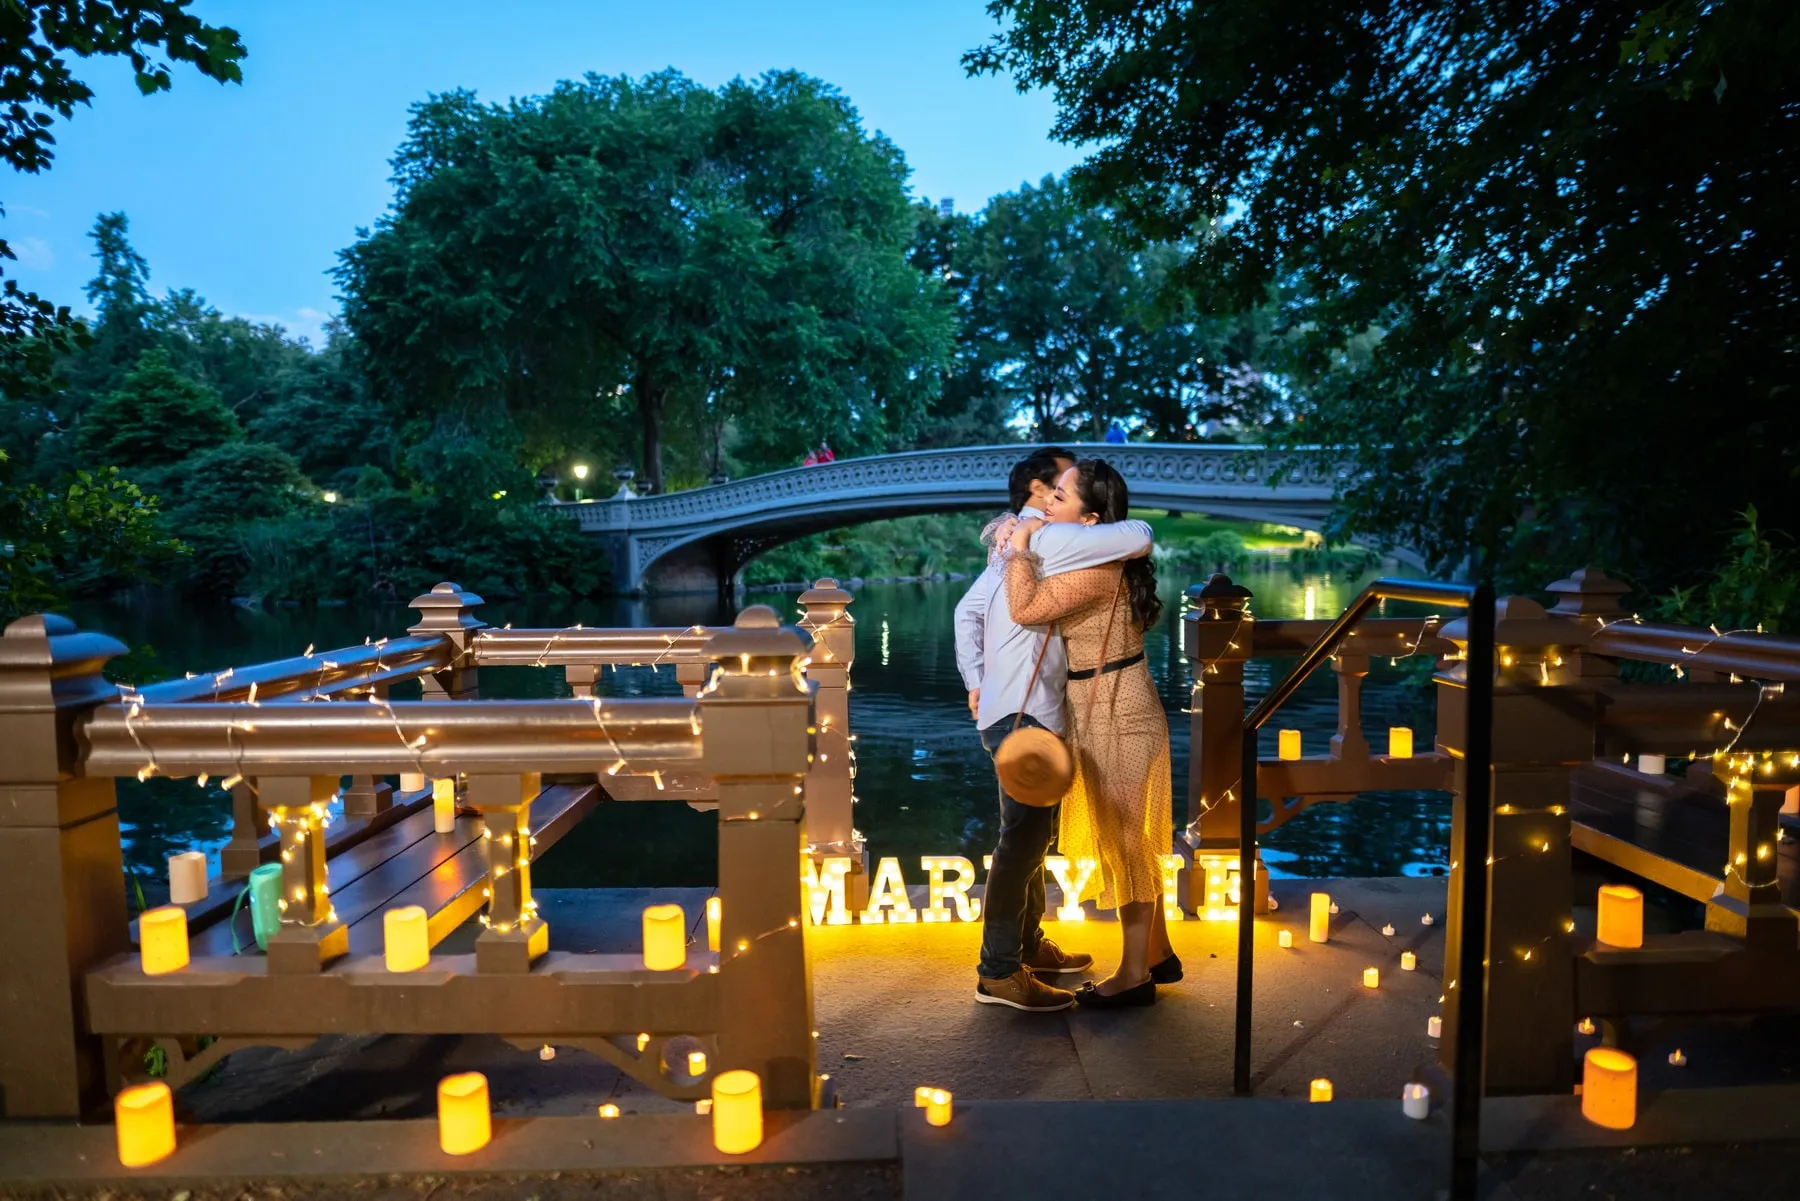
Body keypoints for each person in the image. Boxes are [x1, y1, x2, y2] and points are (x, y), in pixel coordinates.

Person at [954, 449, 1154, 1012]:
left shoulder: (1015, 547)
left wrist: (974, 678)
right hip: (1029, 713)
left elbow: (965, 614)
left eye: (1068, 490)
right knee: (1020, 842)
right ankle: (998, 972)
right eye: (1059, 487)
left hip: (1012, 709)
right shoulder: (1043, 542)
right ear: (1040, 492)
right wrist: (1025, 537)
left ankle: (1027, 945)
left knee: (1031, 837)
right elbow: (1139, 535)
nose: (1057, 497)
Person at [1004, 458, 1175, 1008]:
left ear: (1090, 518)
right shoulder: (1100, 557)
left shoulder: (1096, 571)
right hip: (1107, 701)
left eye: (1059, 497)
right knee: (1132, 835)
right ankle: (1158, 952)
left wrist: (1022, 544)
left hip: (1117, 710)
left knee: (1127, 838)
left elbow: (1024, 607)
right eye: (1049, 495)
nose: (1046, 504)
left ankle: (1133, 976)